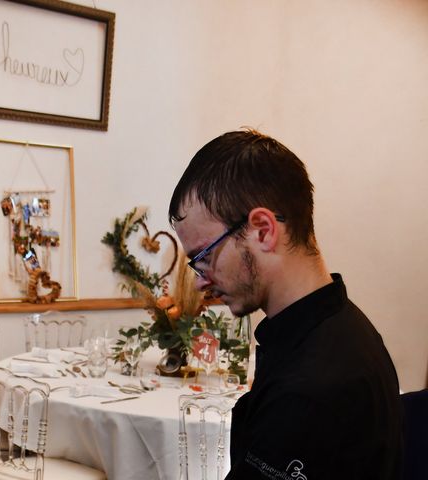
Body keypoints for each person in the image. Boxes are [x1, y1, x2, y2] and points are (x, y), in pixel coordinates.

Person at [168, 129, 402, 479]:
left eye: (204, 256)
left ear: (262, 230)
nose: (200, 280)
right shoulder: (342, 328)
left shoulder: (314, 385)